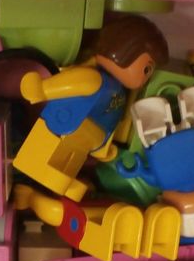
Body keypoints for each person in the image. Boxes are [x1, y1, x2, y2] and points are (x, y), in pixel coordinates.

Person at [13, 15, 168, 201]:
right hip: (64, 129)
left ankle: (54, 184)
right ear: (125, 52)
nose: (146, 78)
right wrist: (42, 89)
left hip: (85, 138)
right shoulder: (95, 79)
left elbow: (110, 118)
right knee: (45, 159)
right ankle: (49, 181)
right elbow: (72, 84)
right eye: (146, 69)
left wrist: (103, 149)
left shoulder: (117, 91)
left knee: (71, 161)